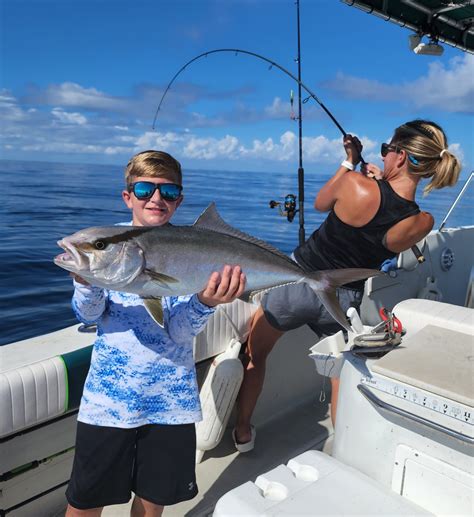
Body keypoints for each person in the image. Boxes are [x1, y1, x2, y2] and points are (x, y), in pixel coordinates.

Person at [233, 119, 461, 451]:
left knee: (256, 355)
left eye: (386, 151)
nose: (383, 157)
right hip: (344, 301)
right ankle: (341, 446)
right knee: (338, 372)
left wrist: (349, 163)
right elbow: (386, 226)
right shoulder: (421, 221)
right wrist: (380, 183)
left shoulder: (355, 183)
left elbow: (320, 204)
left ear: (399, 156)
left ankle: (242, 432)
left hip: (299, 282)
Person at [65, 150, 246, 517]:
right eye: (145, 189)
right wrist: (86, 280)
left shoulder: (185, 255)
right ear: (127, 196)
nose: (156, 199)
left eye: (168, 191)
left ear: (179, 199)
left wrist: (206, 302)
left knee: (150, 508)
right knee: (84, 505)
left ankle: (316, 281)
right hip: (108, 405)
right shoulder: (112, 248)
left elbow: (179, 333)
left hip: (171, 405)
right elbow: (90, 313)